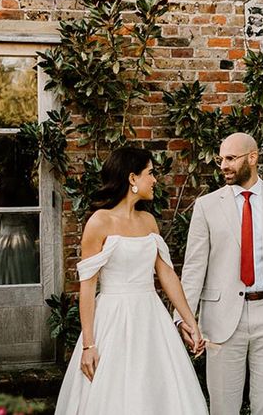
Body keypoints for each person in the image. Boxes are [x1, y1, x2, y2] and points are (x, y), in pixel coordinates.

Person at [55, 146, 208, 415]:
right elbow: (87, 288)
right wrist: (89, 344)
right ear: (132, 178)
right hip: (113, 319)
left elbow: (166, 274)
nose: (155, 179)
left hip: (151, 319)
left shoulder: (149, 221)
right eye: (150, 173)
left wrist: (190, 320)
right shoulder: (99, 222)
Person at [175, 132, 263, 415]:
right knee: (223, 407)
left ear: (252, 158)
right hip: (222, 320)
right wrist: (184, 319)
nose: (223, 165)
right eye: (220, 159)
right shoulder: (207, 206)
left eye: (230, 158)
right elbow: (193, 268)